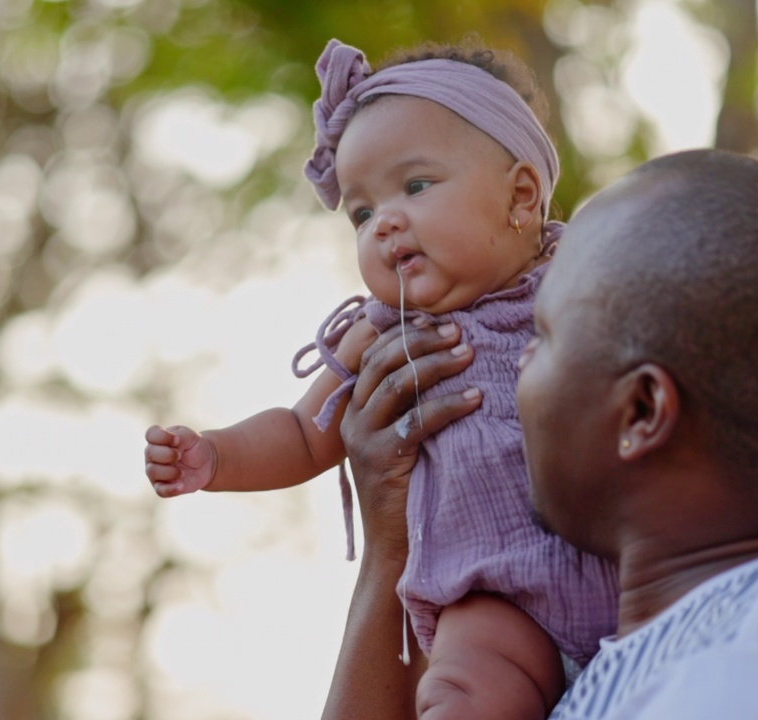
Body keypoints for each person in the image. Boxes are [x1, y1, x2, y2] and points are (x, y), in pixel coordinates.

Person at [325, 148, 758, 719]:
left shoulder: (748, 671)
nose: (515, 365)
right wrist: (391, 546)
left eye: (541, 337)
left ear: (642, 411)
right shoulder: (744, 636)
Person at [146, 37, 617, 719]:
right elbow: (303, 435)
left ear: (521, 196)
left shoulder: (580, 282)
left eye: (416, 186)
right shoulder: (381, 333)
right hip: (488, 601)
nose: (384, 222)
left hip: (615, 562)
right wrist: (214, 456)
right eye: (361, 213)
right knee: (460, 692)